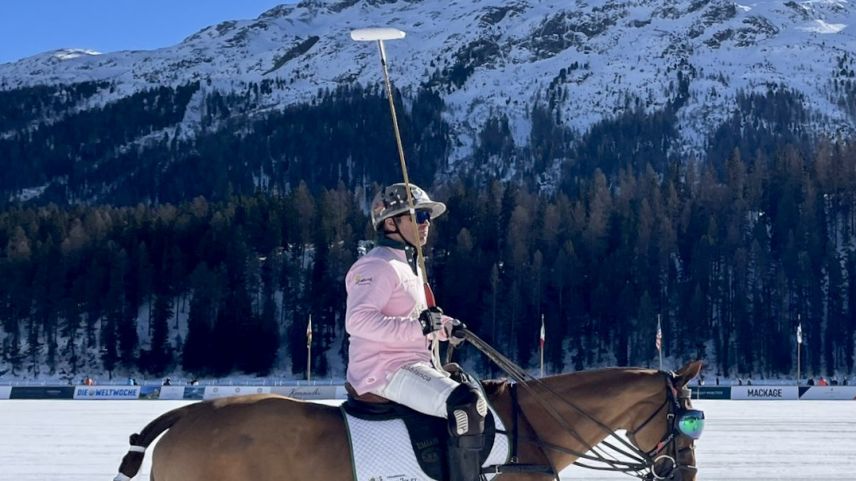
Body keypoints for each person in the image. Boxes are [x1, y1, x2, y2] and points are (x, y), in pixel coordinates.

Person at [345, 183, 485, 481]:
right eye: (419, 216)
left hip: (412, 364)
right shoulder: (376, 265)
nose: (426, 224)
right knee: (465, 404)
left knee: (474, 392)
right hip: (384, 370)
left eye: (428, 217)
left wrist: (445, 326)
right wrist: (419, 327)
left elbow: (417, 319)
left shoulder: (409, 267)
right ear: (391, 222)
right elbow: (357, 321)